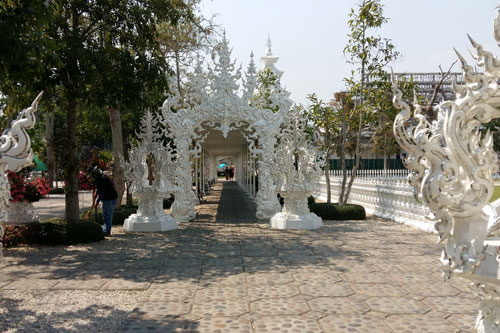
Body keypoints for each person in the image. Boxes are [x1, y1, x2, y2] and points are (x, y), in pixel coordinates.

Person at [88, 166, 118, 236]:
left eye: (92, 175)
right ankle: (106, 230)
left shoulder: (102, 179)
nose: (92, 177)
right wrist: (96, 194)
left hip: (108, 198)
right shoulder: (101, 177)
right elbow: (99, 190)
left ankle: (106, 232)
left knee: (107, 215)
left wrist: (97, 202)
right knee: (107, 215)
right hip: (112, 197)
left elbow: (102, 192)